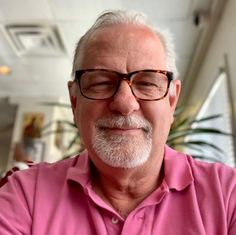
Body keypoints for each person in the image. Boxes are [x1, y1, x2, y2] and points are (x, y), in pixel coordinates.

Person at [0, 10, 236, 235]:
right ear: (74, 101)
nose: (124, 103)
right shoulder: (25, 194)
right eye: (101, 82)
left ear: (172, 100)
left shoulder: (228, 196)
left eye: (147, 83)